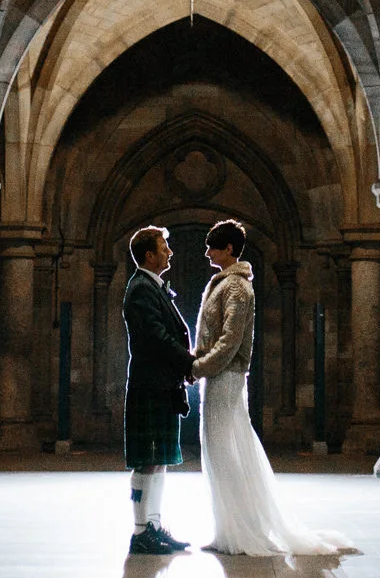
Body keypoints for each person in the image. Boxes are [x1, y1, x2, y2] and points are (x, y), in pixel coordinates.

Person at [189, 218, 354, 556]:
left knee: (224, 451)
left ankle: (239, 532)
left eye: (213, 247)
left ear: (229, 249)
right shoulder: (226, 283)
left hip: (225, 377)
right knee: (222, 450)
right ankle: (228, 530)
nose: (207, 253)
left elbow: (231, 339)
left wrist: (198, 367)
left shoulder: (237, 287)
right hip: (217, 377)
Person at [122, 224, 195, 555]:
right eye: (164, 248)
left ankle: (154, 523)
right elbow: (155, 337)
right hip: (150, 384)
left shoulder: (152, 287)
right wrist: (189, 363)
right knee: (147, 459)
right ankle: (140, 531)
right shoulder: (140, 289)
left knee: (160, 458)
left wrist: (184, 366)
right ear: (149, 255)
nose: (170, 253)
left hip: (162, 384)